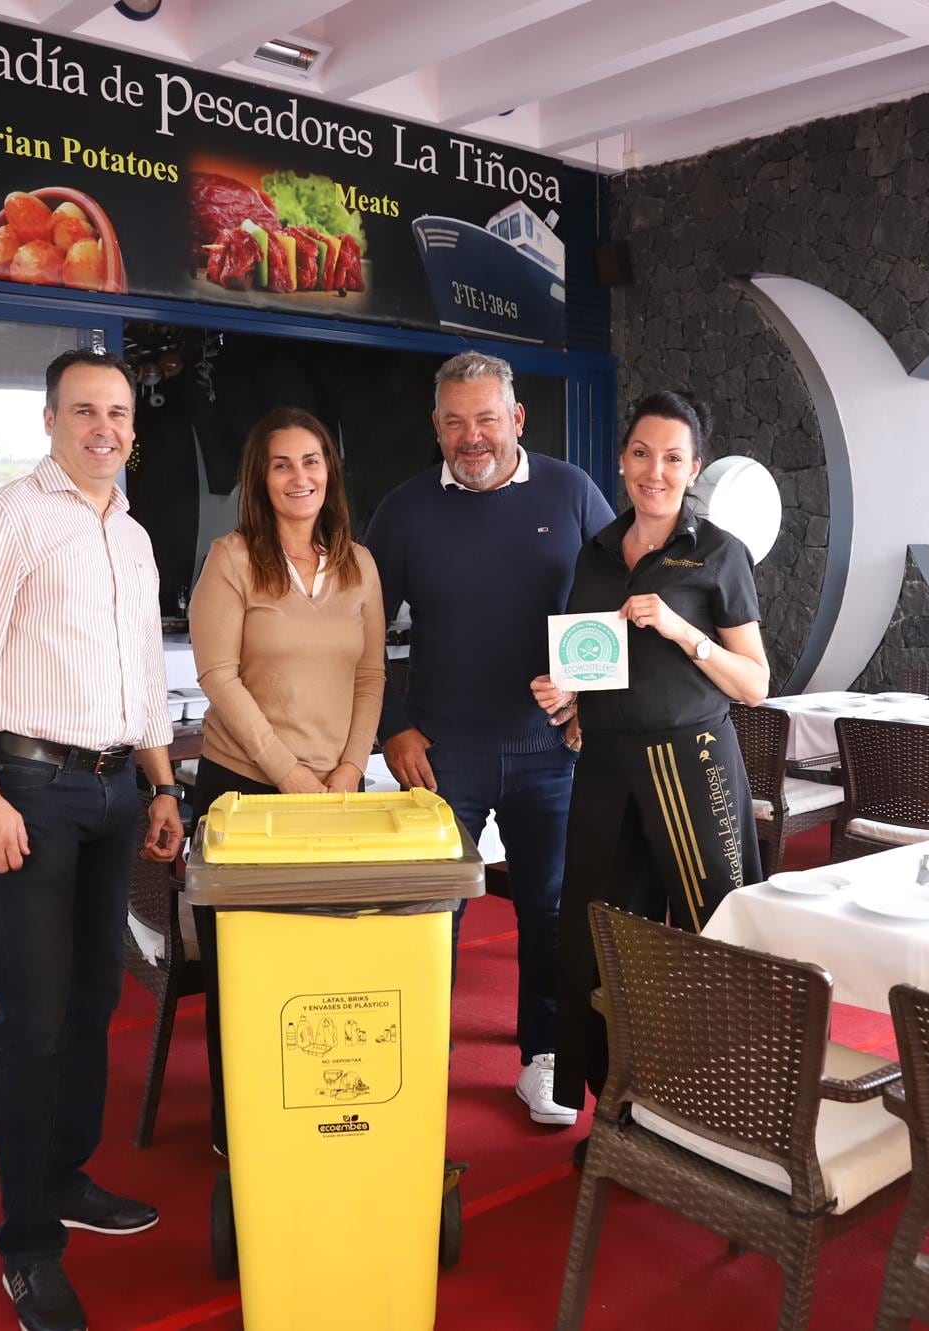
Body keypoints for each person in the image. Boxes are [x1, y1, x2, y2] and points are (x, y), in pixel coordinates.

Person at [0, 349, 184, 1331]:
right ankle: (27, 1244)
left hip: (119, 786)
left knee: (93, 999)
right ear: (48, 419)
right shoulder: (5, 516)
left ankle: (66, 1174)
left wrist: (161, 784)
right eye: (84, 410)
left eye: (117, 412)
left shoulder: (132, 534)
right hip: (28, 786)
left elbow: (145, 684)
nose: (103, 427)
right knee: (28, 1020)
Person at [364, 351, 615, 1128]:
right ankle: (417, 1057)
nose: (472, 437)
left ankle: (544, 1055)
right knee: (434, 911)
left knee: (548, 911)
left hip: (551, 754)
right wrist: (394, 726)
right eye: (455, 421)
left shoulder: (573, 494)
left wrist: (590, 698)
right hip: (443, 755)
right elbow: (359, 632)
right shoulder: (404, 510)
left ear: (517, 419)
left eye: (486, 418)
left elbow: (617, 608)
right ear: (436, 427)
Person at [534, 389, 770, 1115]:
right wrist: (563, 699)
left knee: (712, 936)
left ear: (694, 467)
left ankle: (730, 1104)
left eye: (673, 457)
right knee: (605, 940)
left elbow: (755, 683)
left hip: (691, 766)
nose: (655, 471)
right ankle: (623, 1104)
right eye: (642, 454)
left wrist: (681, 631)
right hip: (605, 766)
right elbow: (593, 671)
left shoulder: (718, 554)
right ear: (622, 460)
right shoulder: (598, 551)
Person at [187, 406, 386, 1154]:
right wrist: (289, 773)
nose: (299, 476)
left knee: (328, 969)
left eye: (312, 460)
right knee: (245, 972)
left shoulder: (359, 563)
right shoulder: (233, 558)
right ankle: (235, 1129)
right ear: (260, 478)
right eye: (282, 463)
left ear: (329, 472)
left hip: (338, 798)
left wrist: (345, 770)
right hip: (247, 792)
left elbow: (372, 674)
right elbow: (219, 677)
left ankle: (316, 1111)